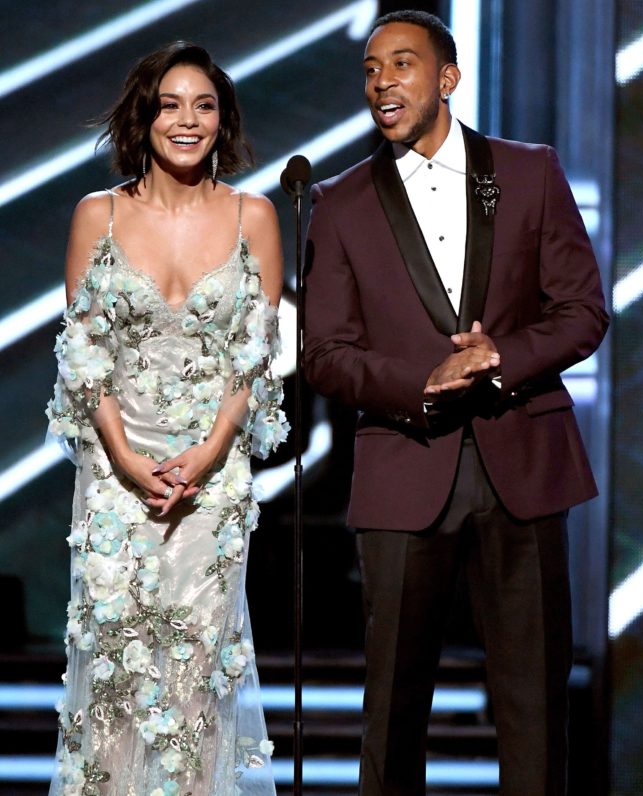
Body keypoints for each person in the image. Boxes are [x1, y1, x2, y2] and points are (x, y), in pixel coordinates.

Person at [303, 10, 608, 796]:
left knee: (535, 711)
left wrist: (504, 357)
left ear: (447, 79)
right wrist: (418, 384)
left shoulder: (531, 170)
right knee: (393, 717)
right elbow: (323, 353)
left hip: (524, 463)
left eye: (400, 65)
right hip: (406, 468)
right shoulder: (339, 204)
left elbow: (582, 311)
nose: (381, 83)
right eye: (370, 70)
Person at [46, 41, 288, 795]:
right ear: (144, 116)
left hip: (212, 484)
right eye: (171, 104)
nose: (188, 120)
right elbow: (85, 356)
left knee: (191, 680)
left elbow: (254, 359)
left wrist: (211, 452)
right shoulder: (99, 215)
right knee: (116, 680)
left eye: (205, 105)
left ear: (224, 119)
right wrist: (122, 459)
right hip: (117, 481)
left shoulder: (256, 215)